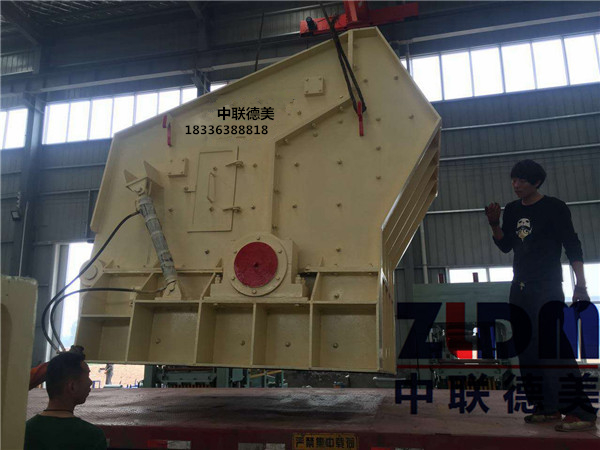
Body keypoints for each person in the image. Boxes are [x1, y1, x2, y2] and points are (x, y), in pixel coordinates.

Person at [485, 159, 597, 432]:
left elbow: (572, 245)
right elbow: (506, 245)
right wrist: (494, 224)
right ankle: (547, 407)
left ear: (536, 182)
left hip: (546, 286)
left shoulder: (554, 208)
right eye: (514, 180)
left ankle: (580, 411)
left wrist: (581, 285)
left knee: (553, 347)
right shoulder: (512, 210)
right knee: (527, 348)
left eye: (522, 181)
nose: (516, 185)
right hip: (520, 287)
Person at [25, 351, 107, 449]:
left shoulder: (25, 430)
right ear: (72, 386)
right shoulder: (93, 437)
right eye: (87, 376)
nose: (90, 382)